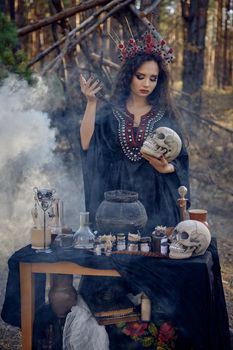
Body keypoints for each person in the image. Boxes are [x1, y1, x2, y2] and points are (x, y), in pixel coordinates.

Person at [79, 33, 190, 235]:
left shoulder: (165, 116)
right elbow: (87, 144)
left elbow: (182, 159)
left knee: (155, 251)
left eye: (153, 78)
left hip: (156, 198)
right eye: (140, 76)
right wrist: (91, 103)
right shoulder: (111, 113)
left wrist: (167, 168)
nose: (146, 84)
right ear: (128, 76)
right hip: (116, 199)